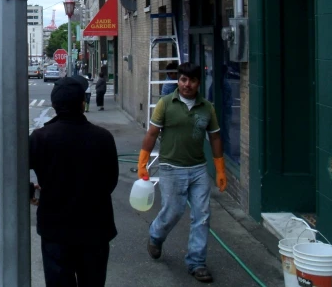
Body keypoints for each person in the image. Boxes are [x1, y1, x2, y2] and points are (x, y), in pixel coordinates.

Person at [137, 62, 226, 283]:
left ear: (198, 83)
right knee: (173, 211)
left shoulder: (207, 108)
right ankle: (156, 235)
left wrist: (220, 168)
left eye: (192, 80)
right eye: (183, 79)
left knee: (202, 216)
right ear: (178, 80)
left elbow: (214, 137)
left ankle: (196, 262)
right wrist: (143, 161)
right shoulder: (166, 103)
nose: (187, 85)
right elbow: (152, 133)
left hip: (197, 169)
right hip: (171, 167)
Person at [30, 76, 119, 286]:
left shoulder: (40, 138)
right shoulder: (103, 137)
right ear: (82, 103)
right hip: (95, 228)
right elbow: (111, 181)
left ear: (54, 105)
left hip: (55, 228)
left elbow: (15, 172)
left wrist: (31, 192)